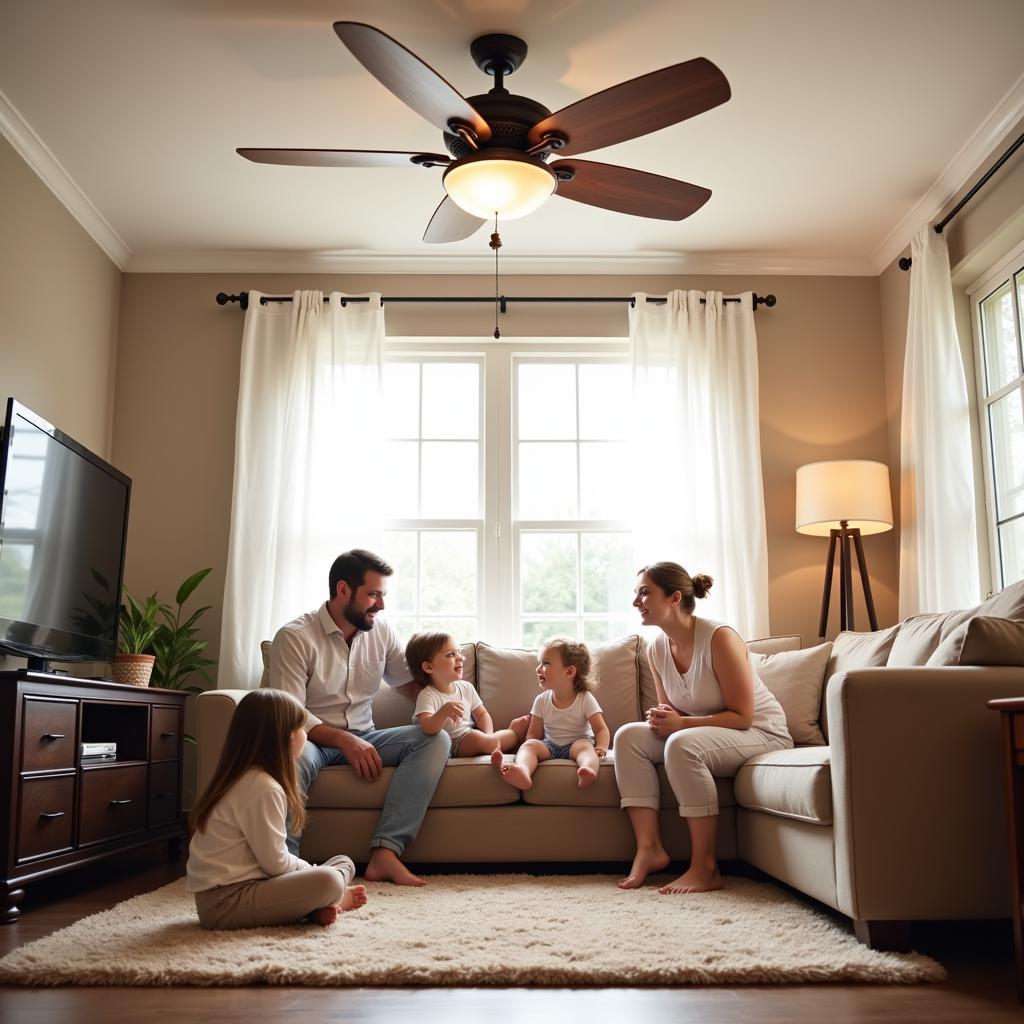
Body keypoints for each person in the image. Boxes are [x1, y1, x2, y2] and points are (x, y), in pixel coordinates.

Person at [268, 549, 450, 887]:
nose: (381, 605)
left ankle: (386, 853)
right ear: (343, 590)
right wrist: (343, 740)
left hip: (367, 736)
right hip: (311, 740)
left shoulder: (380, 632)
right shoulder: (294, 637)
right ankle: (287, 870)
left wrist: (454, 706)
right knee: (288, 756)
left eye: (383, 595)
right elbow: (289, 714)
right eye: (374, 594)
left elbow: (411, 687)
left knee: (435, 739)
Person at [615, 562, 793, 895]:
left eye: (644, 592)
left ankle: (705, 868)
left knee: (682, 745)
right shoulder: (656, 648)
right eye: (636, 594)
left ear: (674, 598)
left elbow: (742, 715)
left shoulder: (719, 638)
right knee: (628, 737)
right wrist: (664, 717)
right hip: (709, 733)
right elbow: (675, 710)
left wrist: (680, 724)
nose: (636, 601)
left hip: (760, 733)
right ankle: (649, 849)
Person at [186, 688, 368, 929]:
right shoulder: (263, 787)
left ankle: (314, 908)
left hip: (243, 891)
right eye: (302, 728)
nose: (305, 735)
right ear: (288, 737)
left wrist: (307, 873)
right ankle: (330, 899)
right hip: (227, 904)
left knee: (344, 862)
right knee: (329, 880)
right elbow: (276, 865)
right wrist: (311, 871)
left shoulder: (244, 778)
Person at [493, 638, 610, 791]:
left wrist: (601, 747)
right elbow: (533, 733)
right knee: (529, 745)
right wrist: (531, 747)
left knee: (585, 748)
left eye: (546, 663)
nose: (538, 669)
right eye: (540, 663)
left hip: (577, 742)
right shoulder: (541, 700)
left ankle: (588, 770)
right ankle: (523, 771)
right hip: (550, 745)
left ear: (569, 671)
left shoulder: (585, 699)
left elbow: (601, 729)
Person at [406, 631, 529, 757]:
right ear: (429, 667)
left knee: (484, 739)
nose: (460, 657)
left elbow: (482, 714)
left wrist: (488, 735)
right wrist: (443, 712)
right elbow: (427, 727)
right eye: (451, 654)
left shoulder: (466, 688)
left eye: (458, 652)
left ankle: (508, 738)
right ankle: (507, 740)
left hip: (470, 737)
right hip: (450, 745)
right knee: (480, 739)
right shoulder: (427, 695)